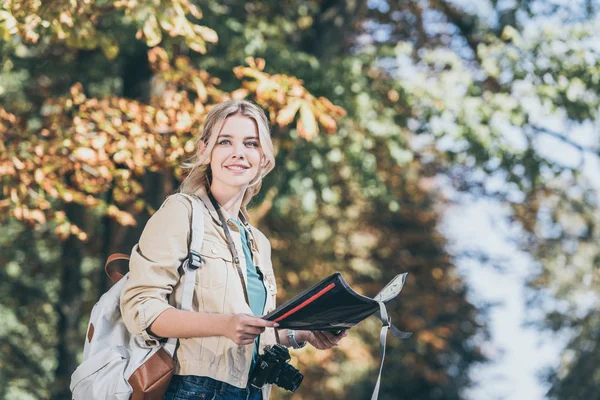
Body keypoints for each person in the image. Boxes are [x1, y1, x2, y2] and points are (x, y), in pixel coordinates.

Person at [120, 99, 347, 400]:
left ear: (263, 157)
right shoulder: (181, 213)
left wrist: (305, 333)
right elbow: (140, 310)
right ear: (205, 150)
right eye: (225, 141)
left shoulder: (258, 242)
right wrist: (223, 325)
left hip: (251, 392)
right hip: (191, 390)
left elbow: (254, 329)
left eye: (250, 143)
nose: (238, 152)